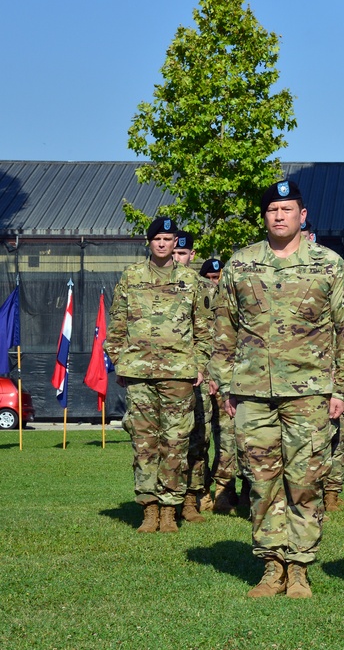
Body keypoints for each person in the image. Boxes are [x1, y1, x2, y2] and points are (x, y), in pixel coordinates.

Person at [210, 179, 344, 598]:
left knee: (305, 480)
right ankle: (271, 565)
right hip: (253, 392)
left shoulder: (329, 265)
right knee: (261, 481)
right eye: (272, 211)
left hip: (310, 392)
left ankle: (298, 567)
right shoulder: (240, 265)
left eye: (287, 209)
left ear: (303, 214)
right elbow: (222, 329)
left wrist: (342, 388)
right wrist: (225, 384)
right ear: (264, 217)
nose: (279, 216)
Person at [105, 216, 211, 534]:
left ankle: (170, 509)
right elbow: (118, 321)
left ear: (176, 242)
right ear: (149, 242)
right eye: (157, 239)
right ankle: (149, 508)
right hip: (138, 371)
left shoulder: (192, 281)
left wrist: (200, 365)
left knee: (176, 442)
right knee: (144, 443)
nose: (163, 244)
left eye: (168, 239)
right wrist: (118, 359)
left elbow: (203, 327)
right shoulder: (131, 276)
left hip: (179, 371)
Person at [197, 258, 247, 514]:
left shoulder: (234, 301)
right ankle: (201, 491)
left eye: (218, 278)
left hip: (231, 379)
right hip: (204, 380)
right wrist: (207, 375)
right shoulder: (197, 299)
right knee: (201, 439)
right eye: (210, 277)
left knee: (230, 439)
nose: (213, 282)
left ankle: (225, 492)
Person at [171, 230, 213, 521]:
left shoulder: (205, 288)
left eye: (183, 254)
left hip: (197, 376)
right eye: (174, 253)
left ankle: (191, 499)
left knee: (197, 440)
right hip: (167, 376)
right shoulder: (156, 284)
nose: (178, 258)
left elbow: (213, 335)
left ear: (192, 255)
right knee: (167, 441)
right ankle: (166, 499)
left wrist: (210, 373)